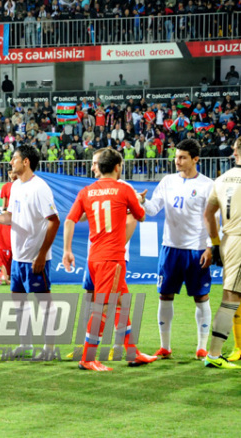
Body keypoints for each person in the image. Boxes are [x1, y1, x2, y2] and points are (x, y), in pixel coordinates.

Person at [63, 149, 155, 372]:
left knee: (121, 304)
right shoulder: (124, 189)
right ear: (117, 167)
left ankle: (132, 352)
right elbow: (140, 216)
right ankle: (87, 357)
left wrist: (67, 250)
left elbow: (70, 220)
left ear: (99, 167)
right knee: (103, 307)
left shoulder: (86, 191)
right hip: (112, 258)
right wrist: (138, 201)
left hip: (94, 257)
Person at [140, 139, 214, 360]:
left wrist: (211, 247)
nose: (177, 161)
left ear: (195, 159)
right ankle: (165, 347)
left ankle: (201, 347)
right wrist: (143, 201)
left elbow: (213, 218)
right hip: (170, 249)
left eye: (182, 157)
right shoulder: (168, 181)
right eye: (176, 156)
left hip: (196, 249)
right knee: (165, 296)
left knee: (201, 297)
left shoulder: (207, 185)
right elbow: (153, 210)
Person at [0, 145, 60, 358]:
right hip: (18, 257)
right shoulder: (15, 186)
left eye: (14, 158)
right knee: (19, 301)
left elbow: (54, 221)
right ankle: (25, 345)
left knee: (44, 302)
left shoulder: (39, 187)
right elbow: (11, 216)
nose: (11, 162)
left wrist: (42, 254)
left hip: (35, 257)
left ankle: (49, 348)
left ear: (26, 162)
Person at [202, 138, 241, 369]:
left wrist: (216, 243)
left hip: (228, 241)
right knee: (231, 297)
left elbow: (208, 214)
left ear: (234, 151)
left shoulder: (221, 179)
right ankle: (214, 355)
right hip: (239, 242)